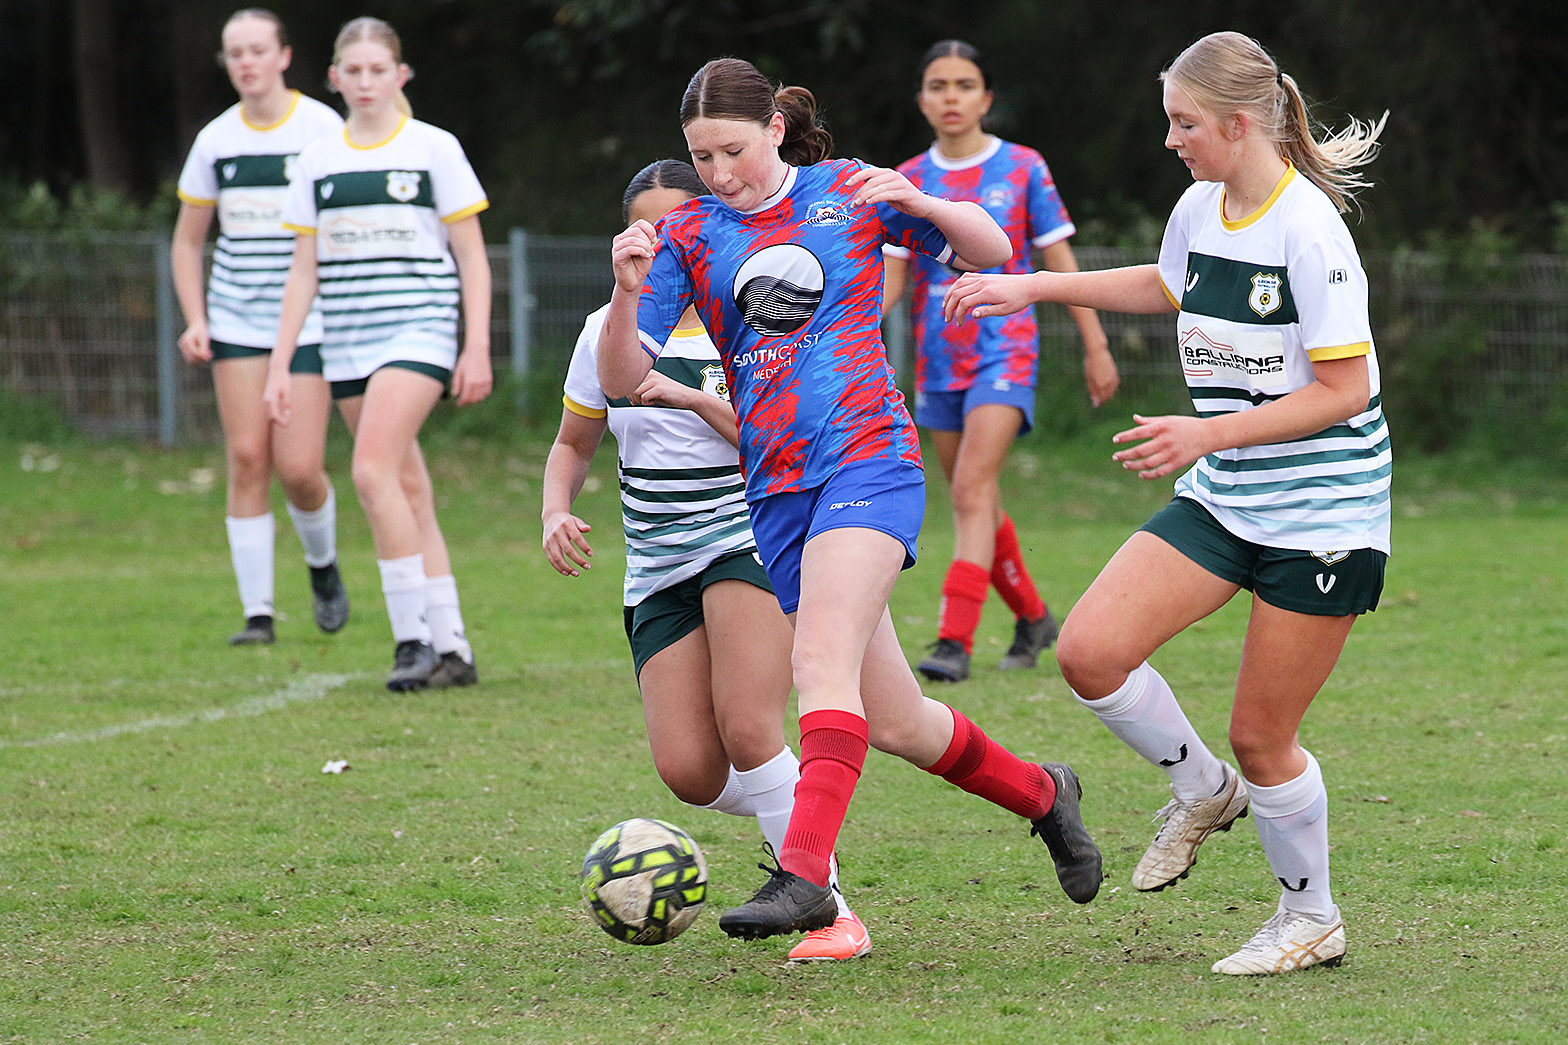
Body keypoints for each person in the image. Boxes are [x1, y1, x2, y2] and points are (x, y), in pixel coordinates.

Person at [597, 57, 1102, 944]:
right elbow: (623, 379)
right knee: (903, 719)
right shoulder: (685, 237)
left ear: (776, 131)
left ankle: (806, 878)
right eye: (701, 157)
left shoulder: (850, 194)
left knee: (818, 665)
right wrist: (627, 287)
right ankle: (1044, 793)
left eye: (733, 150)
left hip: (870, 461)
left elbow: (991, 249)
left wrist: (926, 204)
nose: (718, 173)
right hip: (777, 491)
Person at [944, 30, 1389, 975]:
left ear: (1237, 123)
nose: (1173, 140)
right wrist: (1027, 285)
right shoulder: (1200, 205)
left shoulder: (1310, 227)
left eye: (1185, 123)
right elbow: (1166, 284)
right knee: (1091, 650)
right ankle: (1203, 791)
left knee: (1264, 734)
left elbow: (1344, 391)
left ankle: (1310, 918)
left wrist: (1207, 432)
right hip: (1230, 493)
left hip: (1323, 511)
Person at [544, 160, 872, 962]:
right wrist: (556, 507)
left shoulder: (752, 316)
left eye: (674, 228)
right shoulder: (607, 333)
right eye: (643, 234)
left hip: (743, 535)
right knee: (688, 769)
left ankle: (830, 906)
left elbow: (777, 439)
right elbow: (571, 442)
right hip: (655, 560)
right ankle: (800, 807)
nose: (660, 247)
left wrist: (691, 397)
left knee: (750, 723)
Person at [264, 16, 492, 692]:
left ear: (400, 76)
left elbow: (471, 255)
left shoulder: (435, 148)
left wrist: (474, 344)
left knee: (369, 473)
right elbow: (303, 269)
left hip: (417, 333)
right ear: (334, 79)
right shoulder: (317, 160)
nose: (365, 82)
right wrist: (281, 364)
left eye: (377, 70)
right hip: (347, 343)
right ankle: (454, 647)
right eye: (352, 72)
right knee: (406, 487)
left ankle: (411, 640)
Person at [884, 40, 1119, 684]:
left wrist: (1095, 345)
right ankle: (1035, 619)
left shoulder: (1023, 168)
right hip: (938, 361)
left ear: (986, 98)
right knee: (978, 498)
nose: (951, 96)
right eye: (938, 85)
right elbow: (892, 283)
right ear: (922, 100)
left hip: (1006, 352)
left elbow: (1060, 263)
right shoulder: (906, 179)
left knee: (967, 491)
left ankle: (953, 641)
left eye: (964, 84)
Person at [172, 8, 349, 646]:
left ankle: (323, 566)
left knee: (299, 468)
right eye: (234, 53)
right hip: (237, 320)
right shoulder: (216, 140)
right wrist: (197, 319)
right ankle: (259, 615)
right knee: (248, 457)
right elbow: (188, 243)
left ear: (283, 57)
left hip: (308, 323)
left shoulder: (321, 128)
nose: (245, 62)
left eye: (256, 50)